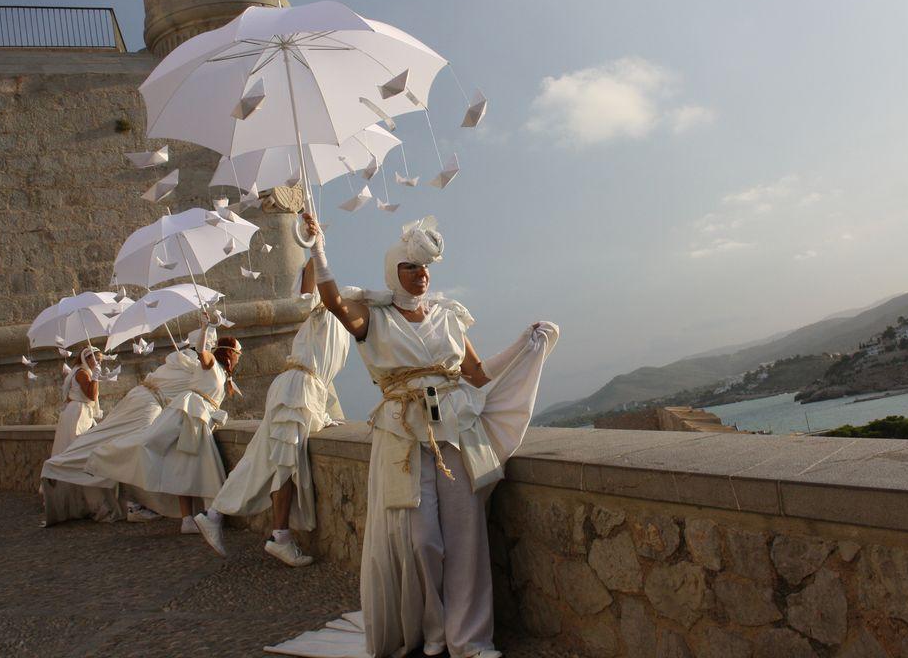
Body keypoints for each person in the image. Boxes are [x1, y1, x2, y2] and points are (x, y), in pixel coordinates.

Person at [267, 214, 558, 658]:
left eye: (425, 268)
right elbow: (334, 305)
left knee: (465, 537)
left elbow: (476, 376)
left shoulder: (449, 316)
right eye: (410, 267)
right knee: (422, 540)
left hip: (455, 430)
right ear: (393, 271)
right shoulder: (373, 314)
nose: (421, 275)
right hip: (402, 435)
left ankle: (469, 640)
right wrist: (318, 249)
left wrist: (524, 344)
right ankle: (433, 629)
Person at [194, 259, 350, 565]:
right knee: (284, 464)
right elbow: (309, 275)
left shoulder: (336, 323)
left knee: (263, 456)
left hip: (300, 389)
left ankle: (215, 514)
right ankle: (279, 536)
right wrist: (316, 248)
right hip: (296, 388)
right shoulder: (319, 310)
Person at [84, 316, 242, 535]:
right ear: (230, 353)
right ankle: (103, 456)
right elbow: (201, 350)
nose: (239, 358)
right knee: (153, 445)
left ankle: (190, 519)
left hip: (198, 416)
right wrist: (205, 327)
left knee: (182, 465)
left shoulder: (224, 375)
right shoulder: (210, 363)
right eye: (238, 353)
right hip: (190, 413)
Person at [51, 347, 104, 456]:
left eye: (100, 360)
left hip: (76, 411)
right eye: (97, 359)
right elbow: (92, 396)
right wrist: (95, 377)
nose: (99, 363)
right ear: (87, 359)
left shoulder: (83, 371)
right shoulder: (82, 373)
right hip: (78, 413)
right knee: (76, 447)